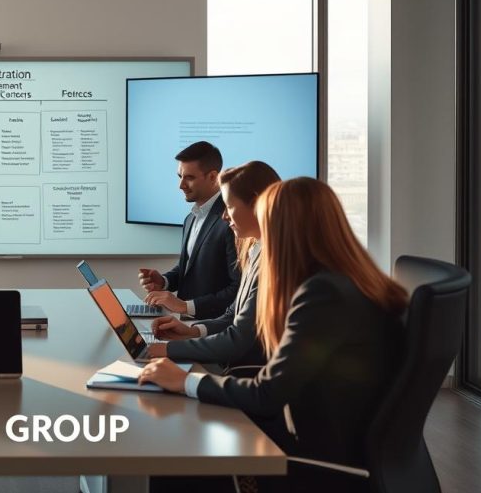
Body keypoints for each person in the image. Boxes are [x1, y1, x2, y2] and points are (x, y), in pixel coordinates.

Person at [139, 177, 407, 493]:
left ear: (284, 226)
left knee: (172, 457)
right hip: (329, 431)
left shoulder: (324, 295)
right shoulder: (344, 281)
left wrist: (184, 381)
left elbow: (268, 394)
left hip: (313, 455)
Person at [144, 161, 279, 371]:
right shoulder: (255, 251)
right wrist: (193, 332)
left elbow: (238, 338)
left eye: (230, 207)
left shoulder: (274, 262)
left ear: (255, 204)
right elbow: (232, 316)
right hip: (232, 363)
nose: (224, 216)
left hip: (246, 374)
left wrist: (168, 350)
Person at [138, 141, 240, 320]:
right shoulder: (191, 218)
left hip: (216, 329)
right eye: (180, 176)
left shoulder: (231, 220)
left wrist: (186, 306)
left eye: (189, 178)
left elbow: (239, 288)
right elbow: (189, 267)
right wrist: (164, 281)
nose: (181, 185)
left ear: (213, 177)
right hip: (187, 325)